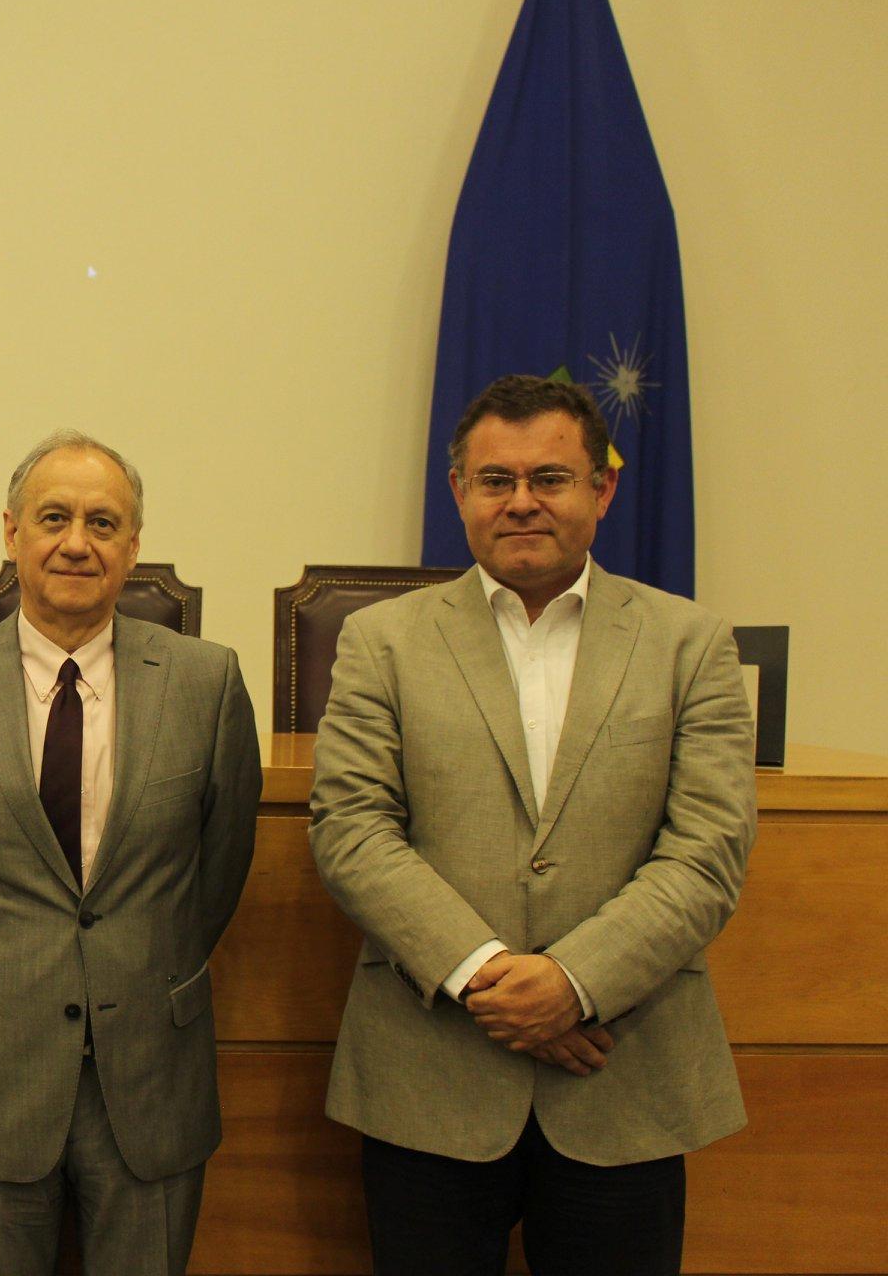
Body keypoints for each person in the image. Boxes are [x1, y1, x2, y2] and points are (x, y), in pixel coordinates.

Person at [309, 374, 757, 1276]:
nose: (521, 502)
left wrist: (576, 982)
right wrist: (491, 980)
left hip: (622, 1080)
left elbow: (707, 851)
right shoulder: (381, 641)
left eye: (549, 478)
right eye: (495, 480)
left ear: (603, 489)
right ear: (459, 494)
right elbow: (352, 829)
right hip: (428, 1081)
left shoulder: (691, 644)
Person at [0, 430, 263, 1276]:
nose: (77, 542)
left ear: (134, 547)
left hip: (153, 1074)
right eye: (54, 518)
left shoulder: (208, 683)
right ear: (12, 534)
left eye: (103, 522)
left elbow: (219, 871)